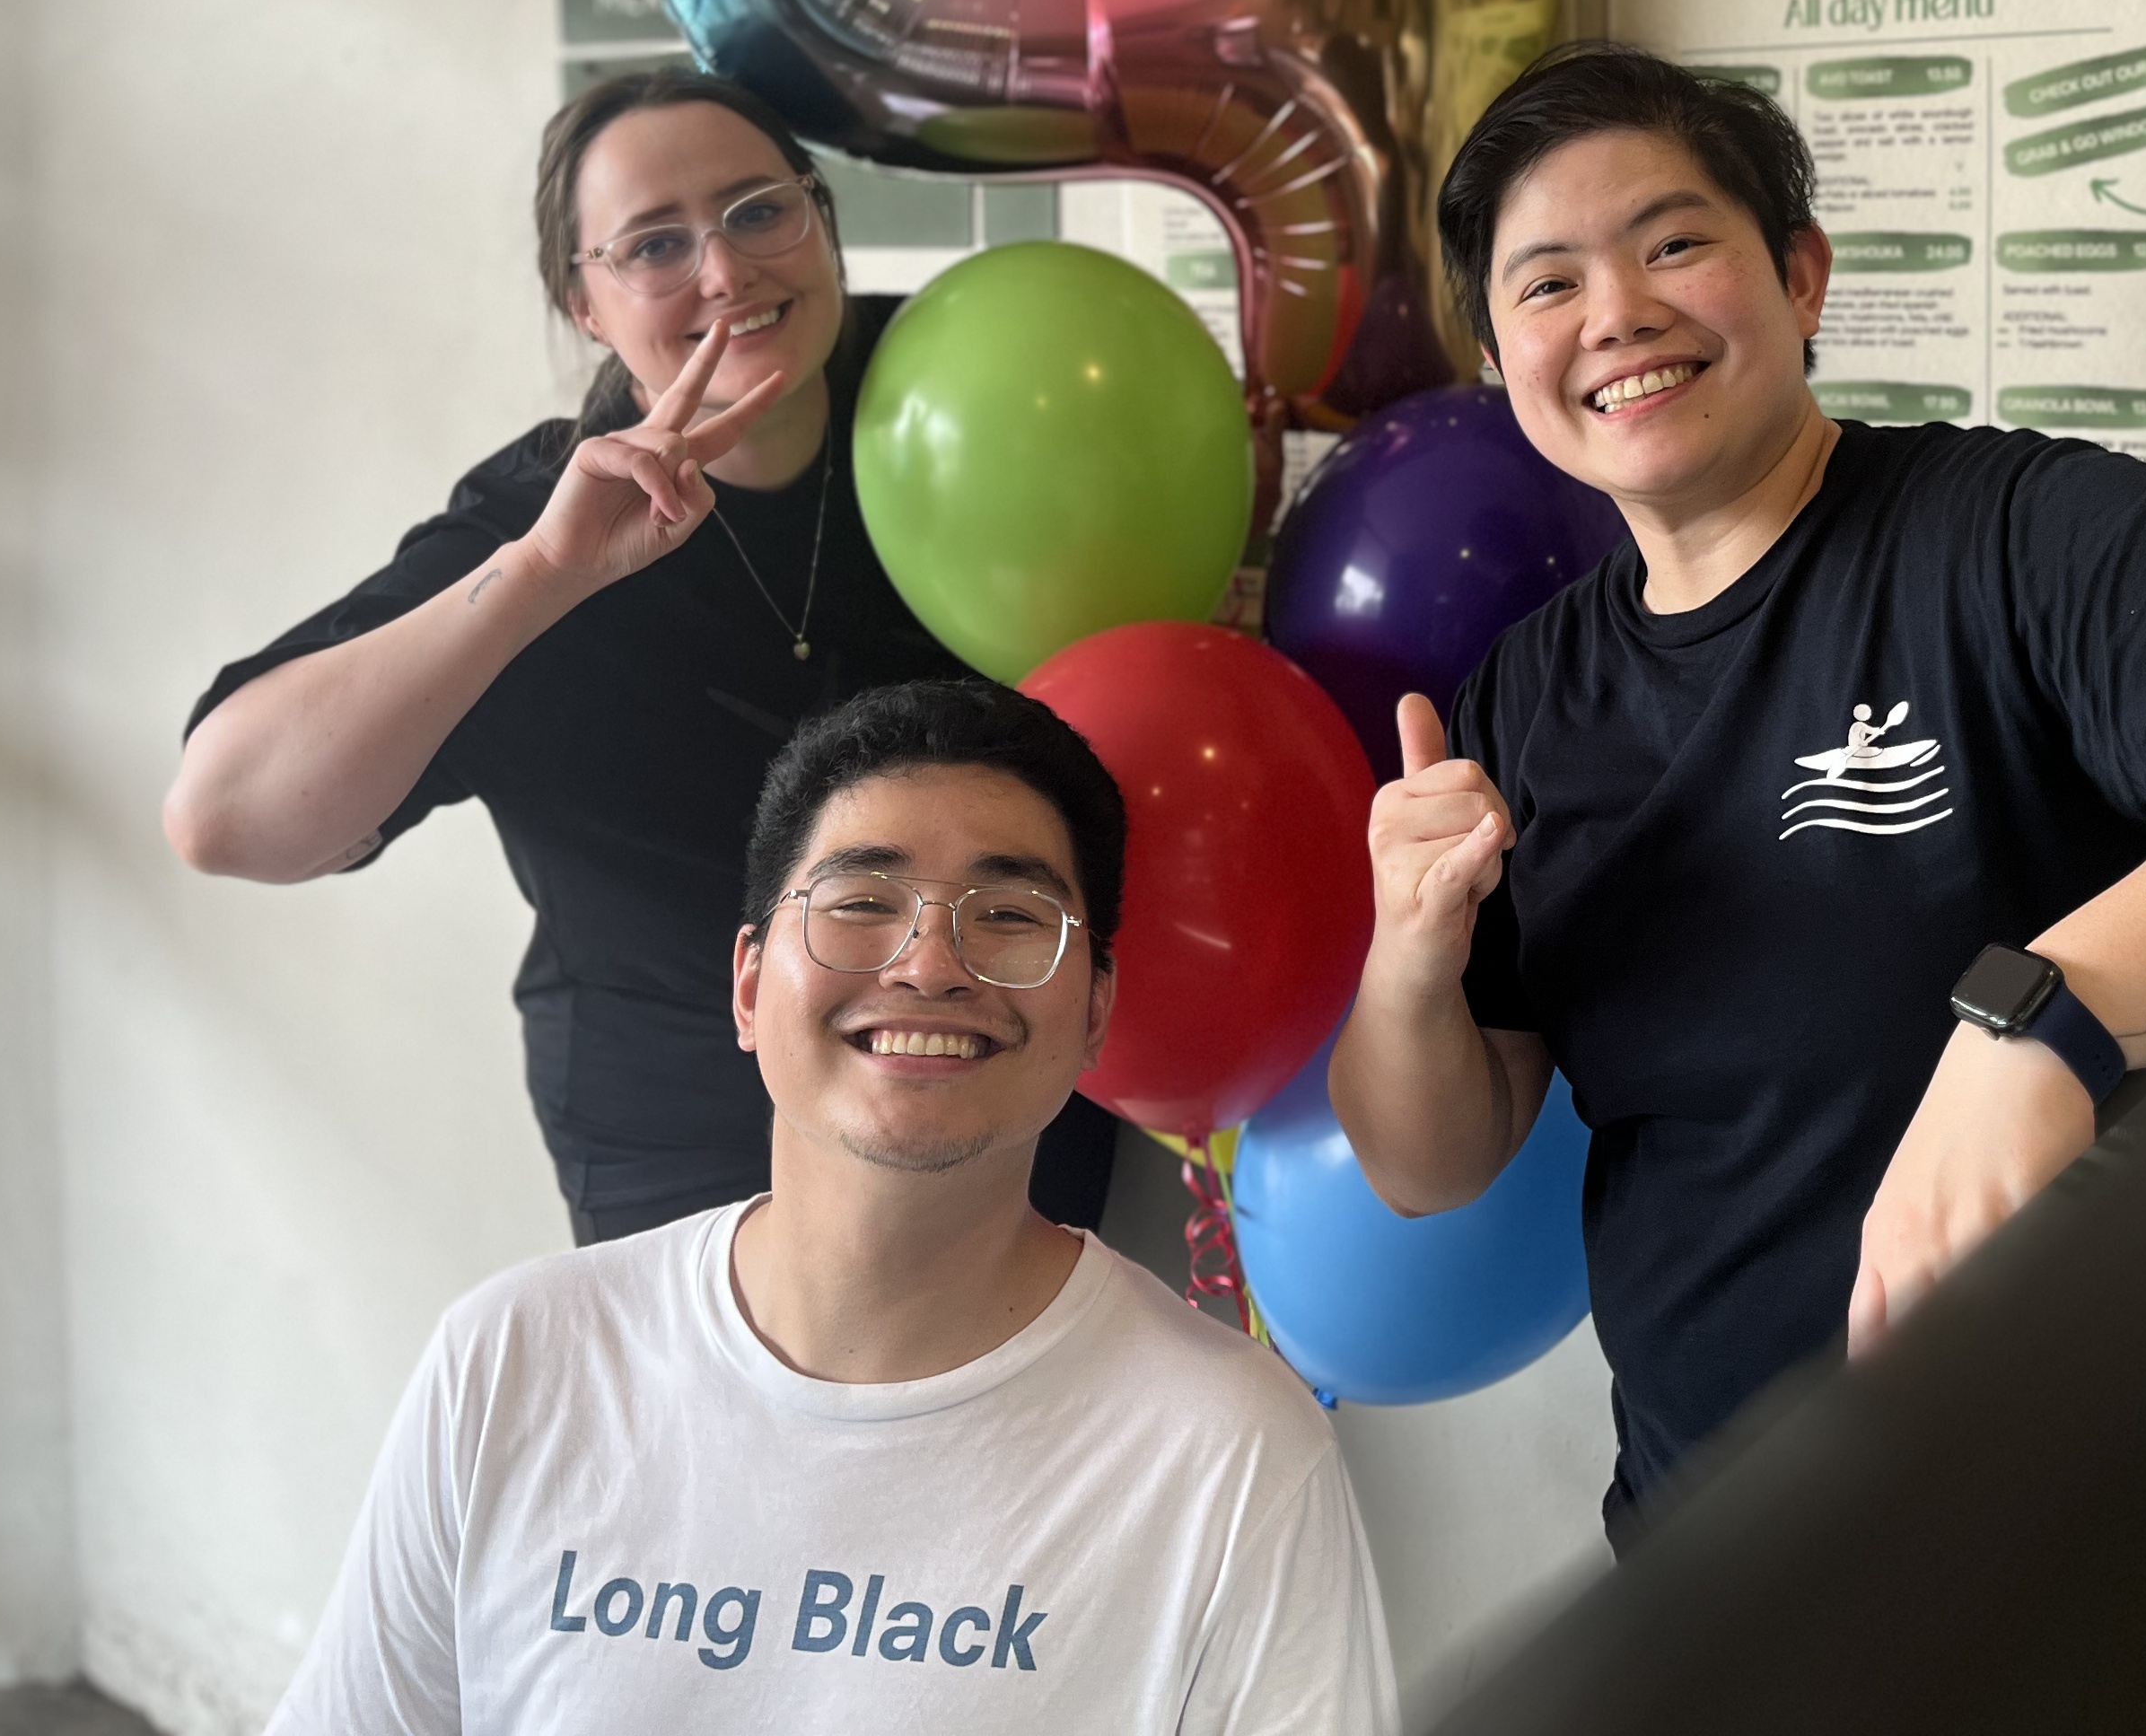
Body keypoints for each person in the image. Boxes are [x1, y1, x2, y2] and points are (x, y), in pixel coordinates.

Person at [1328, 41, 2146, 1543]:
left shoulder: (2011, 538)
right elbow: (1428, 1164)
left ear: (1801, 277)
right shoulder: (1525, 694)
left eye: (1674, 243)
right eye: (1548, 282)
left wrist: (2041, 1028)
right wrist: (1410, 955)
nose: (1618, 313)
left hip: (2077, 1539)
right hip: (1710, 1554)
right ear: (1499, 360)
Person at [273, 677, 1397, 1734]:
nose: (930, 965)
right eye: (863, 901)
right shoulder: (514, 1361)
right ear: (749, 985)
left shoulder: (1229, 1451)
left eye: (1011, 915)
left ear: (1095, 1011)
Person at [167, 69, 1115, 1241]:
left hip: (994, 1080)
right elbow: (224, 820)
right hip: (686, 1143)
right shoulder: (540, 521)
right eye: (656, 245)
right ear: (585, 305)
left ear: (821, 219)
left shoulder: (974, 398)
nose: (726, 271)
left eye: (759, 211)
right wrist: (544, 575)